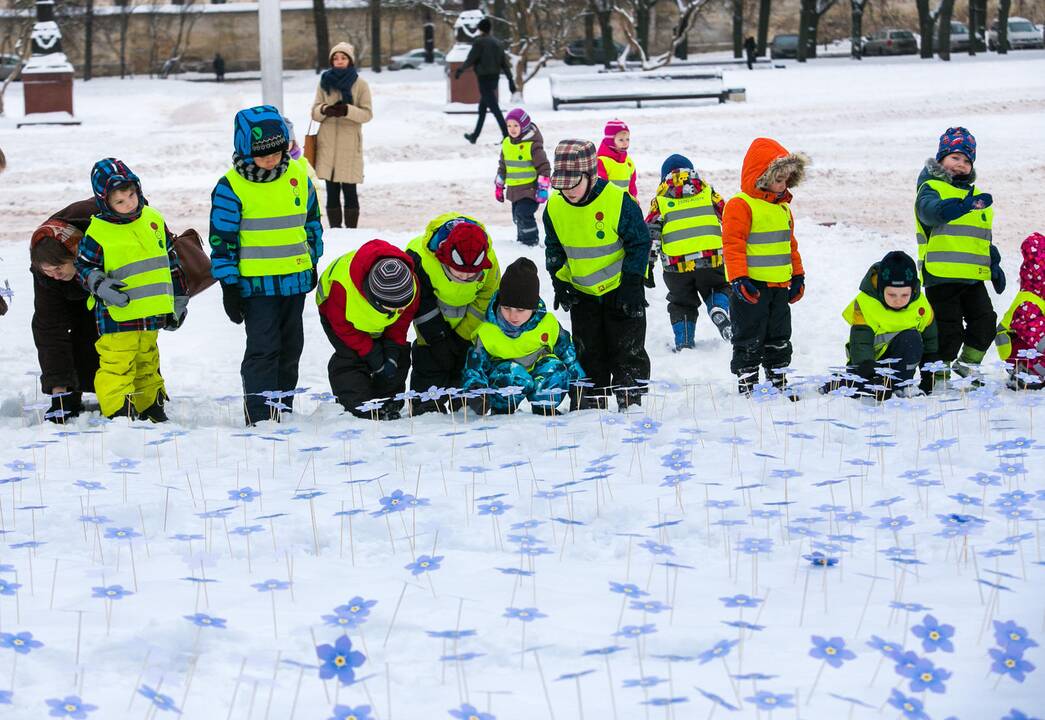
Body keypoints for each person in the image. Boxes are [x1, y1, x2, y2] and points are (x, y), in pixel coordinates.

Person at [209, 106, 324, 426]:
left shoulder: (298, 176)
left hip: (293, 281)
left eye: (278, 150)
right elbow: (222, 239)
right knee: (263, 348)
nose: (272, 159)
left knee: (291, 347)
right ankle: (260, 413)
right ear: (245, 150)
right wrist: (229, 284)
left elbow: (311, 222)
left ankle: (282, 406)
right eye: (263, 154)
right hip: (256, 286)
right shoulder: (230, 187)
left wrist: (312, 260)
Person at [75, 159, 188, 421]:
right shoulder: (98, 232)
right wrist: (100, 285)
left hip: (151, 312)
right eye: (120, 202)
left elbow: (171, 260)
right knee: (117, 364)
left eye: (132, 195)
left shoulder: (153, 219)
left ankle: (150, 404)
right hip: (117, 313)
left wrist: (179, 300)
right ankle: (120, 411)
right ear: (105, 202)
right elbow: (82, 266)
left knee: (148, 360)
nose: (130, 204)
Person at [543, 139, 651, 411]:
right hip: (583, 293)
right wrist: (559, 282)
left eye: (573, 183)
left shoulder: (618, 201)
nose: (567, 191)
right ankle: (590, 401)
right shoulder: (554, 208)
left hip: (620, 289)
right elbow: (554, 248)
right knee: (587, 350)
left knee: (627, 348)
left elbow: (639, 243)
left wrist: (632, 283)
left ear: (591, 175)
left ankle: (631, 397)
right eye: (561, 185)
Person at [915, 126, 1002, 390]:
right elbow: (931, 214)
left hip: (973, 276)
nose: (961, 164)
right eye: (955, 158)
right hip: (941, 274)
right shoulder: (931, 188)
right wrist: (960, 206)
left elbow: (978, 236)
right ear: (941, 159)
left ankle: (968, 364)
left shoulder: (975, 197)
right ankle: (937, 377)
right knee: (947, 330)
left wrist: (993, 261)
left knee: (986, 321)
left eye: (966, 160)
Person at [722, 137, 807, 395]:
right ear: (761, 176)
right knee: (749, 335)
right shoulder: (741, 204)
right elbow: (732, 244)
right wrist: (738, 278)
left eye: (787, 180)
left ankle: (777, 376)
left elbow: (789, 244)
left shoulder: (782, 208)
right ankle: (747, 380)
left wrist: (799, 275)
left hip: (780, 286)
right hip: (752, 287)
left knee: (779, 335)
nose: (783, 186)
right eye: (778, 179)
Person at [462, 258, 583, 415]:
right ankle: (503, 410)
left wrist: (578, 387)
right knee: (511, 373)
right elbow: (474, 366)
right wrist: (476, 391)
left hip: (539, 375)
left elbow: (569, 355)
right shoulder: (487, 332)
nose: (513, 316)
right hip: (507, 382)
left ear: (533, 308)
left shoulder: (547, 325)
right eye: (506, 308)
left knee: (555, 369)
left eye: (520, 310)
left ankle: (544, 407)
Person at [405, 214, 500, 413]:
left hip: (468, 331)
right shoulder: (419, 257)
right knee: (430, 364)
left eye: (472, 274)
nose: (465, 277)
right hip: (430, 332)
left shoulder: (489, 261)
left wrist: (463, 336)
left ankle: (462, 402)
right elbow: (421, 303)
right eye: (458, 272)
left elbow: (485, 301)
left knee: (464, 365)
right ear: (444, 257)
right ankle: (427, 406)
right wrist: (438, 339)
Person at [316, 240, 418, 419]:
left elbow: (400, 323)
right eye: (391, 307)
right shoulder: (342, 288)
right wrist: (371, 351)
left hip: (381, 323)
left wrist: (392, 351)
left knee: (396, 356)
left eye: (400, 307)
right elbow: (342, 326)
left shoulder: (410, 285)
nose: (396, 311)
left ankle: (388, 402)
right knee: (351, 358)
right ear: (375, 298)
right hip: (341, 322)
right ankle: (357, 406)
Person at [645, 154, 731, 350]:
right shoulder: (708, 192)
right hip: (711, 259)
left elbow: (651, 233)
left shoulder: (660, 200)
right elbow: (729, 216)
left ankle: (684, 341)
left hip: (676, 266)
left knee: (681, 303)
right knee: (719, 287)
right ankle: (718, 307)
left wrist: (647, 266)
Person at [28, 198, 100, 421]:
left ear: (76, 254)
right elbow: (50, 329)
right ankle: (69, 391)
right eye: (48, 271)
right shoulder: (47, 273)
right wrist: (59, 393)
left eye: (58, 268)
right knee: (56, 327)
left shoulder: (97, 232)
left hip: (106, 278)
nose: (55, 275)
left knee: (104, 329)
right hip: (73, 289)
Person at [837, 250, 938, 399]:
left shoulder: (920, 305)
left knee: (912, 338)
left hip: (898, 364)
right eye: (892, 295)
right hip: (867, 365)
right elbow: (861, 343)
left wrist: (929, 372)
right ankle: (841, 383)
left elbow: (931, 340)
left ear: (913, 289)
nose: (898, 300)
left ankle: (902, 385)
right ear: (881, 288)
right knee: (859, 390)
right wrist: (871, 374)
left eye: (904, 295)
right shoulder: (867, 304)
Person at [311, 42, 373, 229]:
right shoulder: (324, 82)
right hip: (327, 143)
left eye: (343, 58)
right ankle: (335, 229)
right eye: (335, 58)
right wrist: (325, 109)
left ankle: (352, 231)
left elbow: (367, 114)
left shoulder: (360, 84)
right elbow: (314, 112)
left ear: (350, 60)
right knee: (331, 190)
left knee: (350, 189)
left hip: (349, 143)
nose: (339, 61)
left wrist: (347, 110)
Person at [454, 17, 516, 144]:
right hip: (494, 79)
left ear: (480, 29)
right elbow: (505, 64)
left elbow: (471, 59)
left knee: (495, 108)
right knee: (482, 108)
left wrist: (461, 70)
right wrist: (510, 80)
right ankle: (474, 136)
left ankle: (507, 136)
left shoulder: (479, 42)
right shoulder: (498, 43)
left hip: (484, 79)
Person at [995, 232, 1045, 388]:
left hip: (1029, 344)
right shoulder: (1028, 302)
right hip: (1016, 350)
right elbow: (1039, 338)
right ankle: (1026, 374)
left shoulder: (1039, 296)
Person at [495, 108, 551, 247]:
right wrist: (499, 185)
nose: (512, 129)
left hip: (530, 189)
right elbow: (503, 166)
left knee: (523, 214)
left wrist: (543, 188)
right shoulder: (507, 144)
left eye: (516, 125)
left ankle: (530, 241)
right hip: (514, 190)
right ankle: (522, 241)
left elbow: (544, 167)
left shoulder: (533, 145)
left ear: (524, 126)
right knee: (517, 217)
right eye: (509, 125)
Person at [596, 119, 637, 201]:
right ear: (610, 141)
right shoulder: (601, 162)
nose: (625, 143)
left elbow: (632, 186)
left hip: (625, 204)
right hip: (609, 204)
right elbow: (600, 187)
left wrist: (633, 201)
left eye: (627, 139)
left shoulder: (629, 163)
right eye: (621, 140)